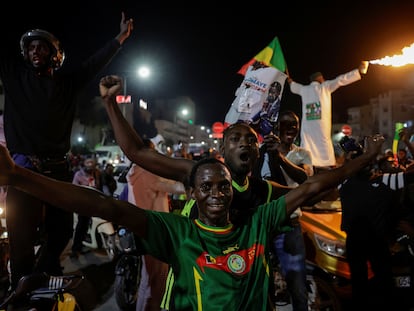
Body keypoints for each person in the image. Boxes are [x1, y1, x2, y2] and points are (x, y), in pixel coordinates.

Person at [0, 132, 384, 310]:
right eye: (207, 186)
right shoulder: (177, 231)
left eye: (222, 186)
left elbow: (313, 186)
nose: (217, 192)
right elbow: (105, 207)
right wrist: (19, 178)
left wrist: (364, 161)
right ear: (193, 193)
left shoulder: (258, 222)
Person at [0, 13, 133, 290]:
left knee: (62, 233)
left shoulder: (67, 84)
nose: (36, 51)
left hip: (58, 170)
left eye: (43, 47)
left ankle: (43, 277)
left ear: (54, 54)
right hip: (23, 169)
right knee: (20, 237)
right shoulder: (14, 76)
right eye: (31, 47)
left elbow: (93, 64)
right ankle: (20, 290)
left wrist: (119, 38)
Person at [338, 140, 414, 310]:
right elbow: (335, 174)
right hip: (355, 242)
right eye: (363, 160)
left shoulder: (386, 181)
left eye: (369, 161)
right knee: (359, 287)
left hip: (377, 242)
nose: (368, 165)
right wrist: (346, 160)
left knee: (384, 285)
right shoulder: (344, 181)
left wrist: (408, 144)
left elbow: (411, 176)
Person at [252, 110, 313, 310]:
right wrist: (265, 153)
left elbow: (305, 179)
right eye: (285, 124)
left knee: (297, 284)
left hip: (290, 226)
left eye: (294, 125)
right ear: (277, 127)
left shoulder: (302, 153)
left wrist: (278, 156)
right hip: (265, 225)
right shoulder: (262, 151)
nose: (291, 129)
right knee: (262, 283)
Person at [126, 138, 185, 311]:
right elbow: (173, 186)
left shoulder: (134, 170)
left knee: (147, 279)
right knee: (156, 280)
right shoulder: (146, 171)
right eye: (152, 151)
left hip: (141, 227)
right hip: (152, 230)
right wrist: (194, 185)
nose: (155, 154)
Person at [287, 61, 369, 171]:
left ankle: (307, 165)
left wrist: (289, 80)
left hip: (308, 129)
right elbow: (340, 80)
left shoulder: (304, 89)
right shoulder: (325, 87)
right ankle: (327, 165)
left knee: (307, 145)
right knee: (324, 143)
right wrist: (358, 71)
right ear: (320, 78)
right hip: (322, 127)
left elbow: (293, 85)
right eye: (323, 78)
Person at [71, 157, 102, 258]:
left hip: (95, 202)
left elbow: (100, 186)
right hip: (83, 204)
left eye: (92, 163)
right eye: (88, 163)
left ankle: (94, 241)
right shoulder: (79, 175)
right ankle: (75, 249)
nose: (90, 165)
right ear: (84, 164)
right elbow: (74, 189)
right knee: (82, 225)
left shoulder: (96, 173)